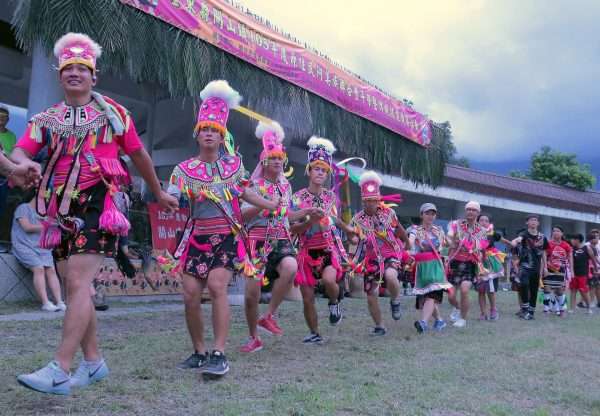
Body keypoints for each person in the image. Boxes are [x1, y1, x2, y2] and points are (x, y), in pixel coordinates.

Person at [14, 33, 178, 395]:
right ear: (60, 75)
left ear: (94, 75)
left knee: (78, 282)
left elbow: (139, 156)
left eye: (81, 68)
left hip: (100, 202)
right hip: (59, 210)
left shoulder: (115, 115)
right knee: (77, 289)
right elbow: (23, 152)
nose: (74, 73)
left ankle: (60, 368)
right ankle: (94, 362)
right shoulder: (46, 119)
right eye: (68, 68)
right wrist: (22, 165)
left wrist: (158, 190)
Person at [167, 80, 279, 376]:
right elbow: (173, 197)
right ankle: (199, 351)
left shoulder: (233, 168)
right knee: (190, 294)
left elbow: (247, 193)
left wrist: (270, 204)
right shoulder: (183, 171)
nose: (209, 134)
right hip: (196, 236)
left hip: (227, 236)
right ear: (197, 133)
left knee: (217, 286)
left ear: (221, 136)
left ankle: (219, 352)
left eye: (214, 131)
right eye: (205, 129)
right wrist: (164, 195)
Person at [239, 121, 307, 353]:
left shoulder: (286, 186)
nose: (278, 161)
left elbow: (287, 214)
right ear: (264, 160)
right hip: (256, 239)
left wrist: (307, 214)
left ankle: (268, 315)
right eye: (273, 157)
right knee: (251, 295)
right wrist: (263, 206)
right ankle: (253, 337)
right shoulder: (253, 185)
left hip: (280, 236)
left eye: (280, 158)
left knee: (290, 267)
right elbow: (242, 216)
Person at [291, 136, 354, 344]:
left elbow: (334, 219)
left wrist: (348, 229)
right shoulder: (297, 199)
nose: (320, 172)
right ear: (309, 171)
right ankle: (315, 333)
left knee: (329, 280)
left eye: (324, 170)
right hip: (305, 252)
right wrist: (310, 222)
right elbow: (292, 228)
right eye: (317, 168)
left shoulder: (330, 197)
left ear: (327, 175)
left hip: (327, 248)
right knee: (307, 298)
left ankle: (334, 302)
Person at [351, 170, 406, 336]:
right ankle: (380, 326)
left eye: (374, 200)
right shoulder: (357, 219)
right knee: (371, 294)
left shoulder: (389, 213)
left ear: (379, 199)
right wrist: (352, 243)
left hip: (391, 254)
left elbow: (399, 231)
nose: (370, 204)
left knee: (390, 276)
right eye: (367, 201)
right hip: (372, 258)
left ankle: (395, 301)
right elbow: (354, 239)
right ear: (363, 201)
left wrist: (407, 244)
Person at [12, 196, 66, 312]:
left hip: (42, 248)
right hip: (23, 246)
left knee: (51, 270)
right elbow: (27, 227)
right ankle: (45, 303)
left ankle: (60, 302)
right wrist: (48, 225)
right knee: (39, 269)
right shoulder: (23, 208)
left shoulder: (47, 214)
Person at [408, 203, 452, 333]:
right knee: (424, 296)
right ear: (421, 215)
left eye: (433, 213)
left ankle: (423, 323)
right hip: (421, 267)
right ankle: (439, 320)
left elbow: (448, 244)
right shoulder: (415, 230)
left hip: (435, 265)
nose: (430, 216)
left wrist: (451, 236)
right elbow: (409, 243)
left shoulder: (439, 230)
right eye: (427, 213)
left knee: (431, 295)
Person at [446, 201, 487, 328]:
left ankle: (463, 319)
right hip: (455, 262)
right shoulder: (456, 224)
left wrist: (482, 267)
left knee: (464, 290)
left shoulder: (482, 231)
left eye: (473, 210)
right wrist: (451, 241)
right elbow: (448, 237)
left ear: (478, 213)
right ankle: (458, 308)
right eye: (468, 209)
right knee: (451, 295)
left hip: (470, 263)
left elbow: (481, 248)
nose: (470, 211)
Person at [510, 214, 549, 320]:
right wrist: (515, 241)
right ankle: (525, 308)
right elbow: (519, 239)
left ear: (538, 223)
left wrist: (545, 267)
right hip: (524, 266)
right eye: (531, 220)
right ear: (527, 222)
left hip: (537, 267)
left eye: (535, 220)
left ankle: (531, 312)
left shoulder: (542, 237)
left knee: (534, 289)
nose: (533, 222)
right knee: (523, 284)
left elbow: (544, 252)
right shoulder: (524, 234)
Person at [476, 214, 506, 321]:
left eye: (486, 220)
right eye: (481, 220)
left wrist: (511, 242)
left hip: (491, 263)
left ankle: (493, 309)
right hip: (478, 262)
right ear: (477, 222)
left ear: (489, 223)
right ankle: (483, 313)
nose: (483, 222)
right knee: (480, 290)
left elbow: (502, 239)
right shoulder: (473, 234)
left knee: (491, 289)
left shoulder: (492, 233)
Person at [543, 226, 572, 316]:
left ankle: (562, 310)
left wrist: (571, 269)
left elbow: (569, 257)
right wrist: (544, 267)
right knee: (547, 289)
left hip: (561, 270)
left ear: (562, 233)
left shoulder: (566, 245)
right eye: (554, 231)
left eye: (558, 231)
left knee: (559, 290)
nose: (555, 232)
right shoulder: (548, 243)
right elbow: (544, 255)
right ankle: (546, 309)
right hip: (549, 269)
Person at [568, 234, 598, 314]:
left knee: (583, 291)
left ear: (577, 240)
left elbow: (593, 259)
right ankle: (572, 308)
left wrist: (596, 269)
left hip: (583, 274)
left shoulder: (586, 248)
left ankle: (588, 308)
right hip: (574, 273)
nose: (571, 241)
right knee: (573, 290)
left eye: (573, 239)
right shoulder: (571, 249)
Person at [0, 106, 17, 213]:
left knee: (1, 205)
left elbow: (14, 157)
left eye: (4, 116)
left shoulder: (12, 136)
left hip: (5, 177)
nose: (1, 118)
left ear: (8, 119)